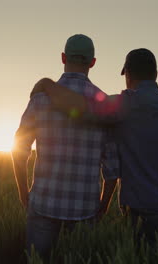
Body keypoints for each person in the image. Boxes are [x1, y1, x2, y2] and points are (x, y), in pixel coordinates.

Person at [31, 48, 158, 252]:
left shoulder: (126, 104)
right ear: (156, 75)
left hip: (146, 213)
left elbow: (78, 106)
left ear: (128, 75)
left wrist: (46, 84)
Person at [11, 34, 120, 261]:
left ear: (63, 58)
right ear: (92, 62)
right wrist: (104, 204)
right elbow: (111, 166)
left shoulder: (40, 99)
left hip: (43, 203)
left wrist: (24, 193)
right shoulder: (102, 105)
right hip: (85, 209)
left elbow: (19, 151)